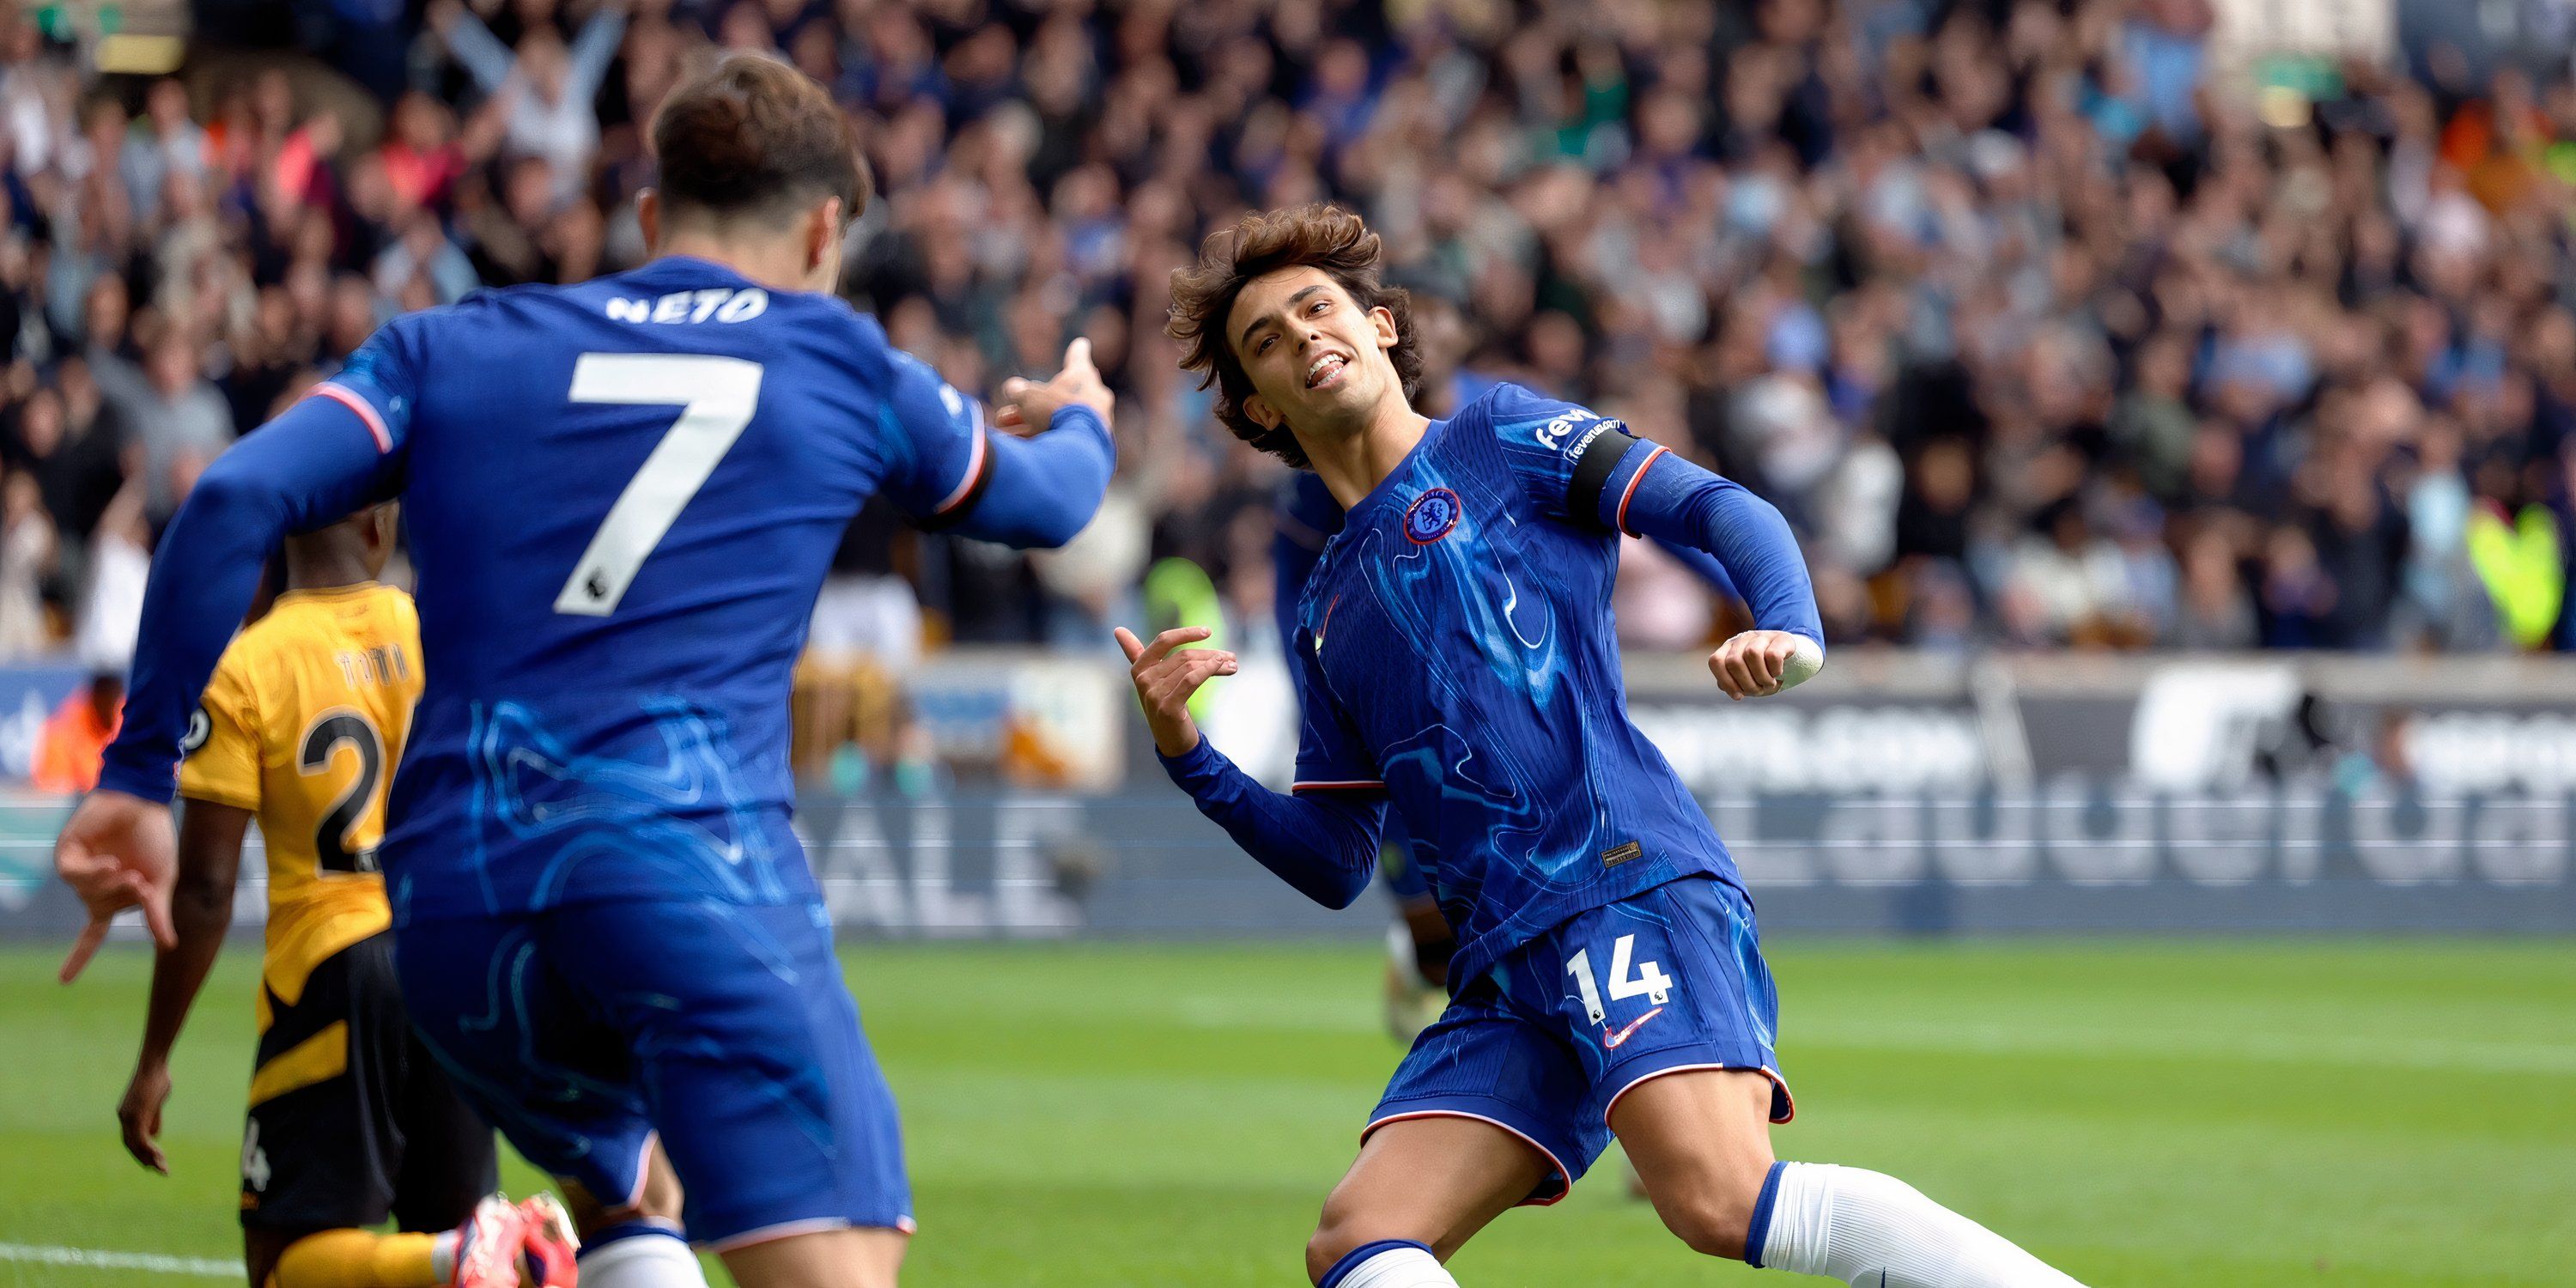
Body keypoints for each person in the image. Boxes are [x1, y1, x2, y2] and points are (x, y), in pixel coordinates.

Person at [54, 52, 1115, 1288]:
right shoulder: (840, 359)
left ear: (650, 216)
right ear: (826, 227)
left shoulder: (449, 347)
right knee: (836, 1263)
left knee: (628, 1190)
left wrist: (137, 772)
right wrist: (1084, 408)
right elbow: (1054, 504)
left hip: (456, 914)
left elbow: (234, 495)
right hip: (685, 872)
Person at [1128, 204, 2087, 1288]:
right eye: (1268, 338)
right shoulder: (1325, 608)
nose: (1304, 335)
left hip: (1618, 884)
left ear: (1382, 327)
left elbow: (1721, 509)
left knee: (1722, 1199)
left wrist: (1789, 623)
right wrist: (1189, 756)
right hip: (1502, 964)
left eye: (1320, 308)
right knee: (1357, 1240)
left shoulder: (1504, 439)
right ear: (1259, 404)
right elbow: (1337, 861)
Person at [108, 506, 561, 1288]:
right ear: (382, 532)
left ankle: (466, 1255)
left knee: (283, 1259)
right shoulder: (436, 634)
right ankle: (475, 1249)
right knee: (450, 1237)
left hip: (334, 968)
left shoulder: (249, 666)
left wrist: (154, 1056)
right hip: (449, 958)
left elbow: (209, 886)